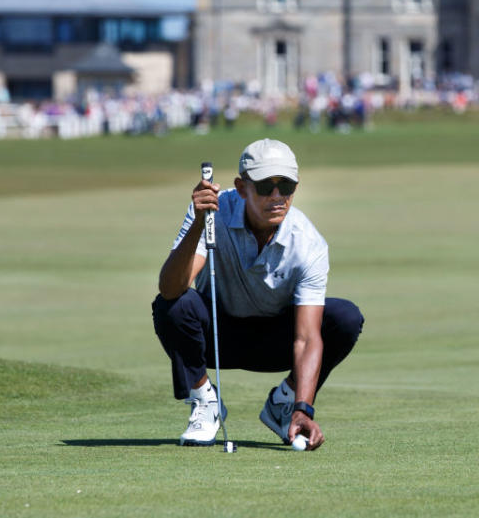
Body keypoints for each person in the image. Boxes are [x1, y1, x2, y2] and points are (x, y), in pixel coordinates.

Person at [152, 139, 364, 450]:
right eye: (266, 186)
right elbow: (170, 286)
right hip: (214, 337)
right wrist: (198, 224)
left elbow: (306, 338)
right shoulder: (212, 214)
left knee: (344, 318)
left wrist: (304, 407)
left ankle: (284, 405)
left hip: (275, 342)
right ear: (241, 187)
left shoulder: (307, 243)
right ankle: (205, 402)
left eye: (287, 186)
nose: (278, 196)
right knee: (173, 304)